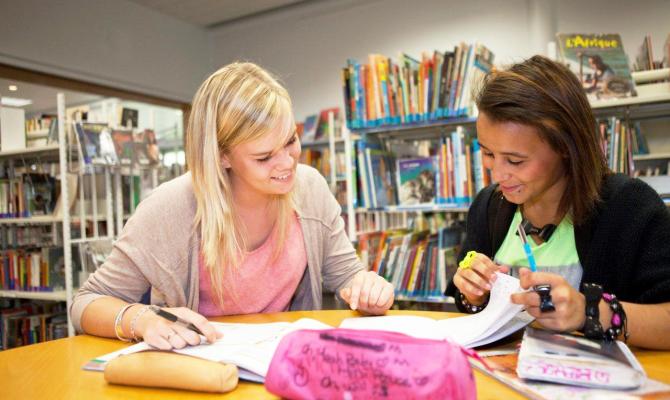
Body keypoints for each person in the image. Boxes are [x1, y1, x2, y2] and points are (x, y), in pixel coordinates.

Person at [71, 62, 395, 350]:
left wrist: (366, 288)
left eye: (290, 141)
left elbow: (347, 276)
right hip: (200, 368)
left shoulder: (309, 187)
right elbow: (84, 304)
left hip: (276, 361)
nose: (287, 163)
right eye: (264, 156)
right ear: (222, 157)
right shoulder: (170, 208)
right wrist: (139, 318)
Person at [449, 55, 670, 350]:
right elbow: (472, 308)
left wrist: (588, 312)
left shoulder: (630, 206)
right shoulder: (489, 206)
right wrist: (473, 293)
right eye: (488, 153)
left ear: (566, 148)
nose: (498, 173)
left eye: (515, 160)